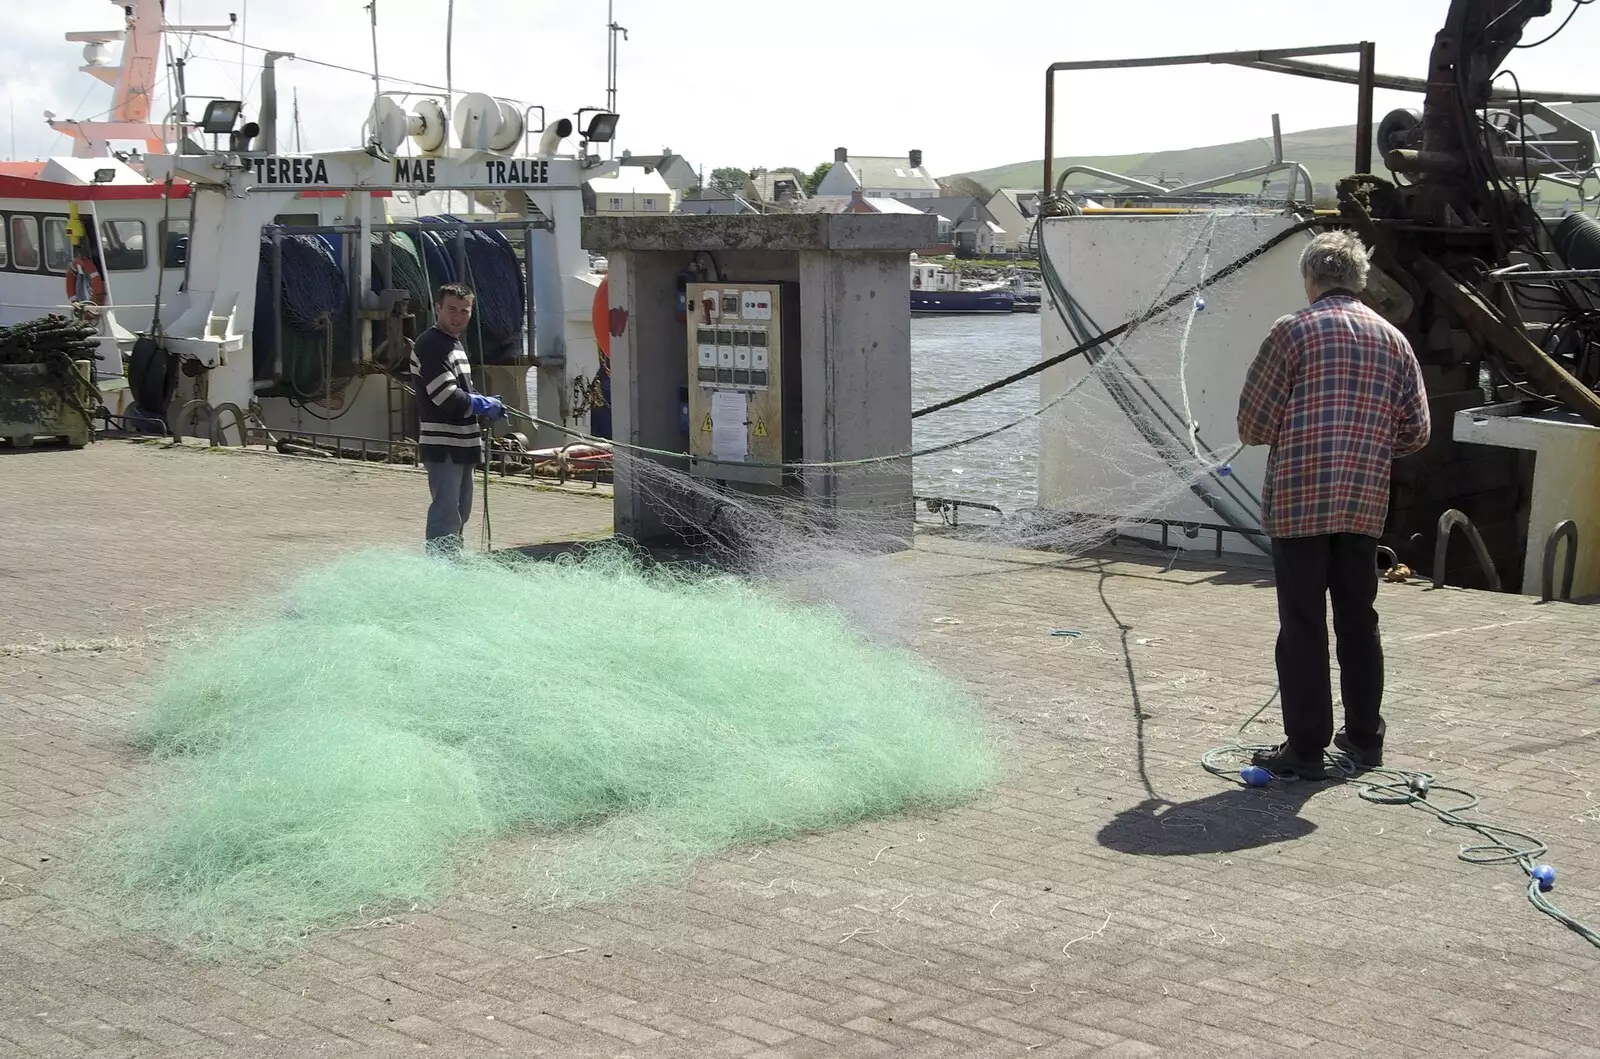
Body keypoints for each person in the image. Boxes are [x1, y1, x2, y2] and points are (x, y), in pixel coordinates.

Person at [1235, 230, 1431, 780]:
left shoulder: (1291, 332)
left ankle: (1305, 748)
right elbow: (1416, 432)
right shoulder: (1394, 340)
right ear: (1360, 279)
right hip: (1363, 503)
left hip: (1299, 501)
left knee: (1302, 624)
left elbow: (1252, 426)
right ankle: (1365, 739)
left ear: (1311, 278)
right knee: (1358, 620)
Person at [411, 282, 506, 556]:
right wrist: (482, 404)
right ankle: (441, 571)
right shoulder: (431, 345)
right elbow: (447, 397)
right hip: (443, 444)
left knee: (460, 512)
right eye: (452, 309)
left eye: (465, 311)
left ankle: (451, 563)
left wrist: (484, 401)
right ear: (438, 308)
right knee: (446, 513)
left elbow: (463, 392)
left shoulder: (454, 345)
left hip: (463, 444)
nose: (458, 316)